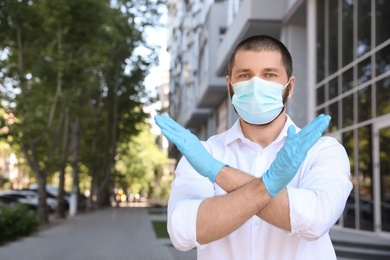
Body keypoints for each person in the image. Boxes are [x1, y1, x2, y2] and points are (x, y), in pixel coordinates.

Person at [155, 35, 352, 260]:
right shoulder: (201, 153)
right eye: (245, 75)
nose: (256, 84)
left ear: (290, 86)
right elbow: (183, 232)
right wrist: (270, 186)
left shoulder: (323, 151)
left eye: (269, 75)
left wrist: (217, 172)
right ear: (230, 86)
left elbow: (315, 220)